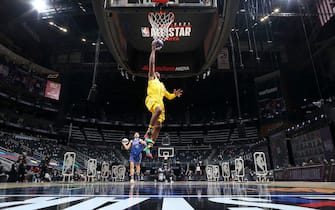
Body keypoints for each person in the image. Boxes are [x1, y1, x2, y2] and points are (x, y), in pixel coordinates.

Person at [143, 40, 183, 158]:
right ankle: (148, 132)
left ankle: (148, 148)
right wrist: (153, 50)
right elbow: (152, 64)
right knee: (158, 110)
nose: (157, 73)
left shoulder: (162, 85)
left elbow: (169, 96)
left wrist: (174, 94)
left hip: (160, 104)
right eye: (156, 72)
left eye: (158, 73)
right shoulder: (151, 78)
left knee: (159, 126)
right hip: (151, 100)